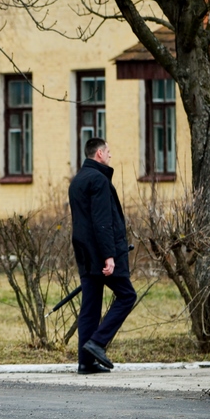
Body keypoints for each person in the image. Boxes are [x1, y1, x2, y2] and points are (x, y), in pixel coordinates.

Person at [68, 137, 137, 375]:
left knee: (90, 306)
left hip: (84, 253)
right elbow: (102, 221)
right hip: (101, 254)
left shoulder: (78, 180)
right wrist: (109, 256)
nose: (110, 155)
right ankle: (97, 342)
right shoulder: (98, 180)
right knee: (127, 295)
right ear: (99, 153)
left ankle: (86, 363)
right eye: (108, 151)